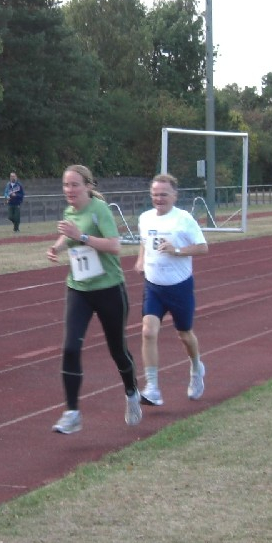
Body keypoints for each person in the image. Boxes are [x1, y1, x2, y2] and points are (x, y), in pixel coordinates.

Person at [46, 165, 142, 433]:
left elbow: (114, 245)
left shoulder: (100, 210)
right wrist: (57, 246)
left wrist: (82, 237)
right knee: (70, 348)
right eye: (66, 185)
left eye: (75, 185)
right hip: (79, 288)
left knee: (117, 350)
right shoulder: (69, 211)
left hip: (109, 288)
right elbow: (68, 235)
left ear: (88, 186)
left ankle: (131, 392)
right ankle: (72, 412)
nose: (69, 190)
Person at [134, 173, 209, 405]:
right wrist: (140, 260)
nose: (159, 198)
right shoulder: (145, 218)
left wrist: (176, 250)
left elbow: (202, 247)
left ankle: (196, 368)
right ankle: (152, 388)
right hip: (153, 287)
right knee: (148, 332)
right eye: (155, 194)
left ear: (174, 195)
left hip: (179, 287)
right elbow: (144, 241)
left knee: (185, 334)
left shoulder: (183, 219)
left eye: (164, 194)